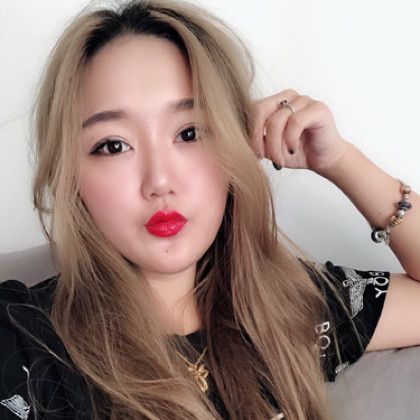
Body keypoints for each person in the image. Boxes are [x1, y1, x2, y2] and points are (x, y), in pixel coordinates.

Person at [0, 0, 419, 419]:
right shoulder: (24, 342)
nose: (160, 180)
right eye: (113, 145)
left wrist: (339, 160)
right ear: (70, 174)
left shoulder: (286, 309)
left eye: (190, 132)